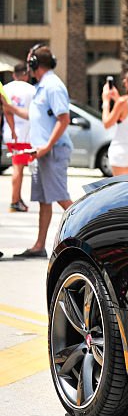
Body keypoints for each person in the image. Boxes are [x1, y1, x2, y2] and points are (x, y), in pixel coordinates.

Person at [15, 45, 72, 258]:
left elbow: (63, 119)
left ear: (34, 64)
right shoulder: (42, 86)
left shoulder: (53, 86)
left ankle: (88, 233)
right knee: (44, 200)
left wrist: (47, 146)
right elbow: (33, 116)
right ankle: (39, 245)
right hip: (41, 153)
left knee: (61, 198)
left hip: (53, 151)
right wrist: (9, 108)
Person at [2, 61, 35, 212]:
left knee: (18, 166)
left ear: (14, 74)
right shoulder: (32, 90)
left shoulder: (6, 88)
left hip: (10, 133)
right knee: (18, 168)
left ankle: (17, 198)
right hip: (24, 135)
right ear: (26, 75)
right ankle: (14, 201)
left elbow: (5, 111)